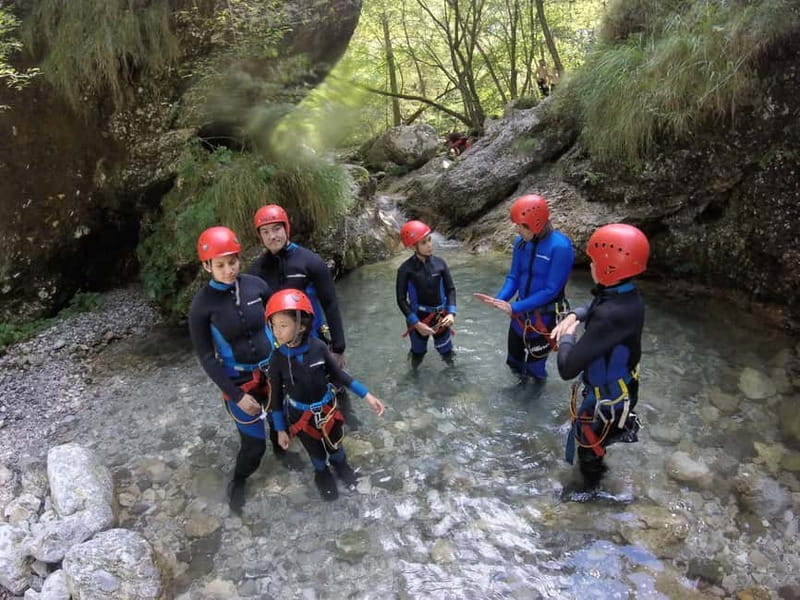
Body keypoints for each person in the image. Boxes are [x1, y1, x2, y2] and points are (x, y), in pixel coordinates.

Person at [188, 226, 278, 515]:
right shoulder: (201, 307)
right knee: (254, 448)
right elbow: (207, 358)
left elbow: (280, 325)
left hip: (272, 373)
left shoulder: (257, 286)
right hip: (239, 381)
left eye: (233, 262)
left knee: (281, 425)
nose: (229, 270)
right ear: (206, 266)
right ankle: (238, 480)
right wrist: (237, 395)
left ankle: (284, 454)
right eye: (220, 265)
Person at [550, 223, 649, 488]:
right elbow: (593, 304)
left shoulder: (610, 316)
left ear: (609, 267)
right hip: (618, 390)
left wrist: (567, 335)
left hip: (607, 400)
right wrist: (574, 314)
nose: (591, 265)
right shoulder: (626, 295)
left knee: (590, 452)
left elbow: (567, 368)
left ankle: (589, 496)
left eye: (594, 261)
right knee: (593, 442)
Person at [247, 204, 361, 427]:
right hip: (281, 346)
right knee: (294, 390)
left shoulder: (310, 262)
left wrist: (338, 347)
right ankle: (299, 431)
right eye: (265, 231)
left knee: (334, 385)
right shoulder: (256, 271)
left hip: (316, 340)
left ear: (286, 228)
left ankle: (348, 426)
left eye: (276, 229)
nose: (272, 236)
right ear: (259, 236)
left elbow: (330, 304)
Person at [266, 289, 385, 500]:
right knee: (317, 455)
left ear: (301, 325)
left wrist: (367, 395)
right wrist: (280, 431)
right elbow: (275, 400)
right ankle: (321, 473)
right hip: (301, 418)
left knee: (336, 447)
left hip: (328, 411)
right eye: (273, 325)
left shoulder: (319, 348)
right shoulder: (276, 359)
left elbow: (340, 376)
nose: (277, 332)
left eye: (283, 325)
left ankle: (342, 467)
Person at [474, 194, 574, 382]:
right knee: (513, 362)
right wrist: (501, 299)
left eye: (520, 225)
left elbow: (551, 290)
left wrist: (515, 308)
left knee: (535, 370)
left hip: (544, 318)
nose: (516, 229)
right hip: (520, 316)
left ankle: (532, 405)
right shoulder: (520, 243)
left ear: (535, 224)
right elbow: (514, 277)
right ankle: (516, 399)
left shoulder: (560, 247)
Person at [395, 220, 457, 368]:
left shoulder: (440, 264)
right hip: (418, 318)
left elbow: (450, 289)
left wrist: (451, 313)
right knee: (418, 354)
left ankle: (454, 378)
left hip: (440, 317)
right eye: (423, 243)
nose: (429, 245)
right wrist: (416, 323)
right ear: (412, 246)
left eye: (429, 240)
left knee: (447, 353)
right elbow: (401, 300)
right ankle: (414, 379)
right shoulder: (405, 270)